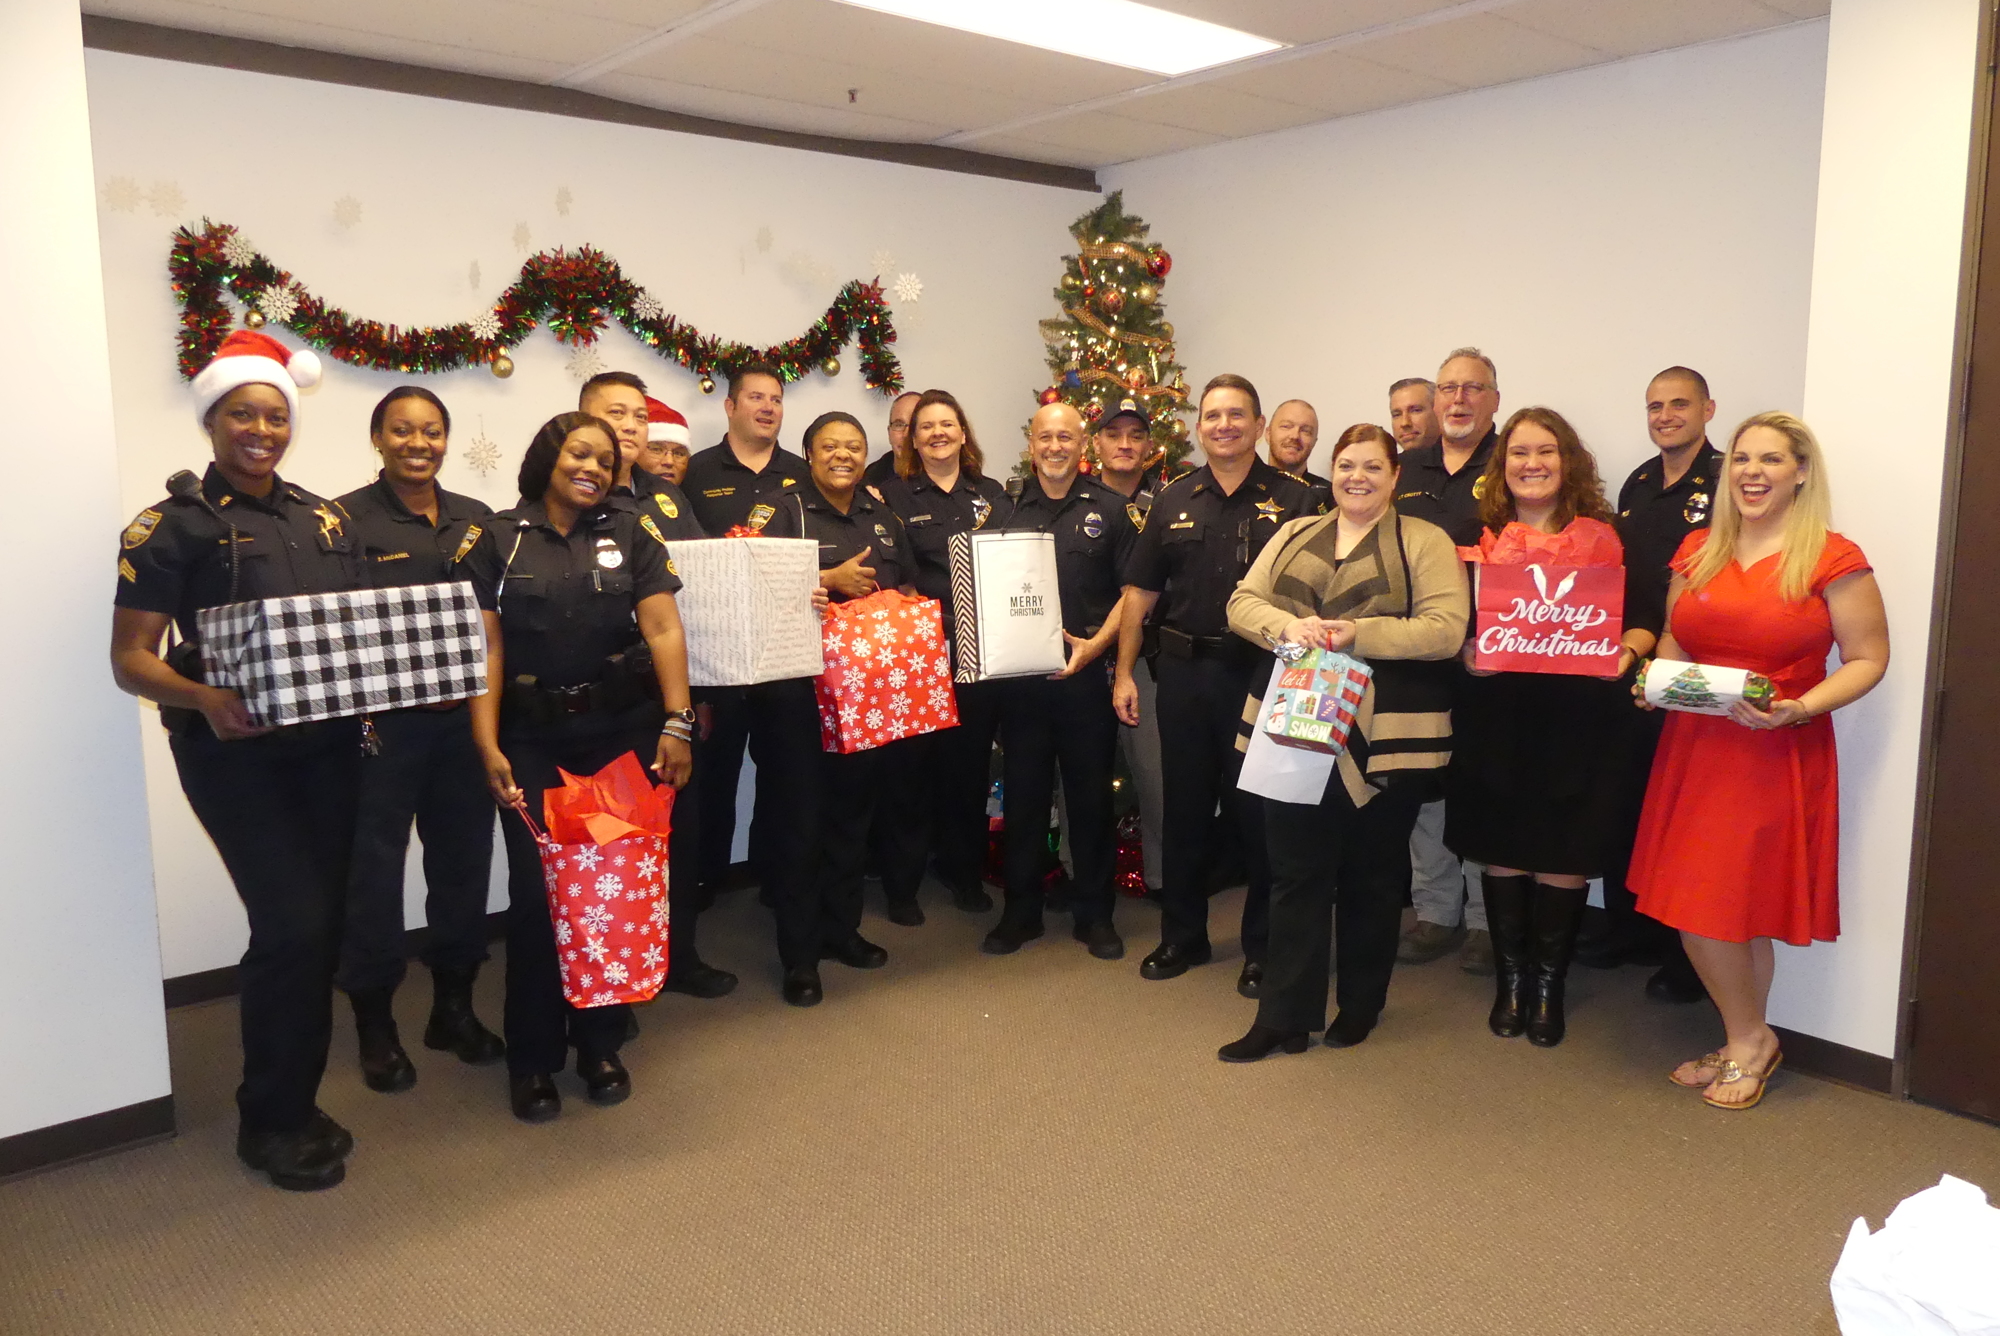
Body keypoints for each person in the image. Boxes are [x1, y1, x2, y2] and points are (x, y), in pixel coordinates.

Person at [110, 330, 368, 1191]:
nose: (261, 429)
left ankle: (295, 1097)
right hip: (233, 756)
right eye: (242, 415)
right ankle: (270, 1122)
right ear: (213, 421)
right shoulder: (169, 527)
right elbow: (131, 660)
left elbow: (353, 631)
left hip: (329, 748)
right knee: (293, 924)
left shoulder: (323, 517)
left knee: (317, 928)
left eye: (274, 415)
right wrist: (206, 700)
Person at [1631, 412, 1887, 1110]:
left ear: (1801, 471)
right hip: (1698, 746)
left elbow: (1869, 659)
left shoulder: (1832, 558)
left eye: (1771, 460)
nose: (1751, 472)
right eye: (1742, 458)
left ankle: (1748, 1041)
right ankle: (1746, 1033)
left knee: (1717, 906)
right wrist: (1657, 685)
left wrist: (1801, 708)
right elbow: (1677, 650)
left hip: (1775, 746)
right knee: (1715, 906)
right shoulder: (1697, 551)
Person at [462, 412, 696, 1123]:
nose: (592, 466)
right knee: (538, 901)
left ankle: (600, 1043)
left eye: (603, 457)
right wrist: (485, 742)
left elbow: (662, 628)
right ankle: (532, 1057)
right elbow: (487, 651)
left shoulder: (629, 532)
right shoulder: (499, 540)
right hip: (532, 743)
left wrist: (677, 720)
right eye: (578, 453)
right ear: (548, 458)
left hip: (614, 739)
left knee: (607, 894)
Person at [1217, 424, 1467, 1058]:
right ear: (1333, 471)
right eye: (1347, 465)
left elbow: (1445, 630)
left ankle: (1360, 1005)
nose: (1358, 477)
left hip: (1388, 738)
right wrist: (1289, 626)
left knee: (1373, 877)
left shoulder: (1425, 540)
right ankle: (1283, 1017)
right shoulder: (1297, 531)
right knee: (1293, 873)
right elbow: (1241, 604)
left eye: (1372, 467)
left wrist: (1358, 634)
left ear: (1395, 476)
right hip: (1297, 724)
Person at [1446, 407, 1657, 1048]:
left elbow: (1645, 617)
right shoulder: (1474, 537)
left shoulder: (1606, 536)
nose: (1530, 464)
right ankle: (1511, 981)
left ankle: (1547, 985)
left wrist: (1622, 656)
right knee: (1503, 844)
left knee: (1565, 846)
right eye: (1518, 453)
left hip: (1579, 721)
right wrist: (1465, 654)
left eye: (1544, 452)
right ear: (1501, 465)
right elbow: (1449, 624)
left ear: (1568, 462)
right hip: (1497, 714)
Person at [1115, 374, 1317, 994]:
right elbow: (1140, 593)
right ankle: (1183, 936)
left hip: (1265, 676)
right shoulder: (1173, 498)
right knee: (1185, 810)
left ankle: (1262, 946)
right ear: (1199, 428)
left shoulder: (1299, 500)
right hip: (1183, 675)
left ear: (1258, 427)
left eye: (1236, 415)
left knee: (1260, 814)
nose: (1223, 425)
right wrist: (1123, 670)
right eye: (1211, 416)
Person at [332, 387, 502, 1095]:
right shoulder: (339, 521)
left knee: (462, 865)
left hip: (463, 725)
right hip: (380, 731)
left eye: (431, 431)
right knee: (371, 878)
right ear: (378, 438)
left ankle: (452, 1011)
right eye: (402, 430)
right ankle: (376, 1027)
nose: (418, 442)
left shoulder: (477, 521)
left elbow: (495, 627)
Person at [679, 362, 829, 1005]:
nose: (767, 408)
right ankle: (692, 922)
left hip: (786, 665)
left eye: (777, 400)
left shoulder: (804, 474)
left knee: (793, 802)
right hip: (712, 669)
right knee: (703, 796)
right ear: (732, 406)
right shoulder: (693, 474)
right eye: (756, 398)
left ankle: (800, 954)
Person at [578, 371, 731, 1000]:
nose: (631, 427)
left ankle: (680, 956)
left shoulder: (669, 501)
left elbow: (703, 600)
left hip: (667, 699)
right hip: (599, 699)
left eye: (639, 417)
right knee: (612, 838)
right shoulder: (569, 496)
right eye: (616, 414)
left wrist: (701, 696)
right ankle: (617, 968)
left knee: (679, 827)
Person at [1579, 367, 1723, 1002]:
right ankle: (1626, 929)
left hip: (1693, 666)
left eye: (1678, 405)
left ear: (1708, 409)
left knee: (1681, 814)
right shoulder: (1638, 480)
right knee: (1626, 799)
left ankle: (1682, 955)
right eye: (1655, 406)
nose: (1665, 416)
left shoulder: (1725, 480)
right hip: (1633, 660)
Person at [986, 402, 1137, 960]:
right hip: (1022, 686)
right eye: (1045, 437)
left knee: (1090, 801)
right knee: (1023, 799)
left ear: (1083, 446)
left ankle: (1094, 915)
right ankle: (1020, 914)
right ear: (1032, 444)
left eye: (1066, 437)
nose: (1055, 447)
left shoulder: (1113, 511)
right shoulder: (1001, 512)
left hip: (1083, 685)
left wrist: (1097, 648)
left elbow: (1135, 594)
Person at [762, 411, 906, 976]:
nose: (842, 455)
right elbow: (754, 590)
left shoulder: (883, 517)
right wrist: (826, 581)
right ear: (809, 454)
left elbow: (906, 587)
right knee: (801, 825)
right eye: (830, 447)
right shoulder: (782, 512)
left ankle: (843, 931)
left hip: (865, 697)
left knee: (851, 818)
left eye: (853, 446)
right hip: (797, 693)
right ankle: (800, 959)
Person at [878, 389, 1011, 917]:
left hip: (980, 658)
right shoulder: (891, 495)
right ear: (913, 437)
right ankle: (902, 886)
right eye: (925, 426)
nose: (937, 433)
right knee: (909, 774)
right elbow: (892, 576)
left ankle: (965, 874)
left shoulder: (993, 494)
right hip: (922, 656)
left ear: (963, 433)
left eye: (946, 424)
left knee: (967, 771)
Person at [1394, 349, 1503, 976]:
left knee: (1480, 779)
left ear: (1493, 398)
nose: (1458, 400)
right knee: (1425, 780)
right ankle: (1437, 910)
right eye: (1448, 389)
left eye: (1473, 389)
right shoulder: (1406, 467)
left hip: (1487, 657)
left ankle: (1489, 919)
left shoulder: (1512, 463)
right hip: (1418, 654)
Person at [1090, 400, 1167, 896]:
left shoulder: (1169, 504)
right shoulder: (1075, 502)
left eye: (1135, 435)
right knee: (1080, 778)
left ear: (1148, 447)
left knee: (1157, 777)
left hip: (1144, 661)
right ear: (1094, 443)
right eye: (1113, 434)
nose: (1124, 444)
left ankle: (1164, 879)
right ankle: (1080, 878)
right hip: (1081, 658)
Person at [1265, 399, 1329, 507]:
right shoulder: (1247, 488)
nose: (1295, 436)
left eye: (1306, 431)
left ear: (1314, 441)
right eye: (1286, 426)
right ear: (1268, 434)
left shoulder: (1328, 497)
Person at [863, 389, 921, 486]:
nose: (906, 434)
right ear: (889, 432)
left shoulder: (945, 477)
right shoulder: (871, 479)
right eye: (899, 425)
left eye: (914, 425)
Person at [638, 396, 692, 487]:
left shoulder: (687, 499)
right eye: (656, 449)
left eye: (679, 453)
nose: (669, 461)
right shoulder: (613, 498)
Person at [1389, 377, 1441, 454]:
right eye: (1397, 415)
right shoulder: (1390, 465)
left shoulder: (1461, 462)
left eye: (1415, 411)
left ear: (1438, 412)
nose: (1404, 423)